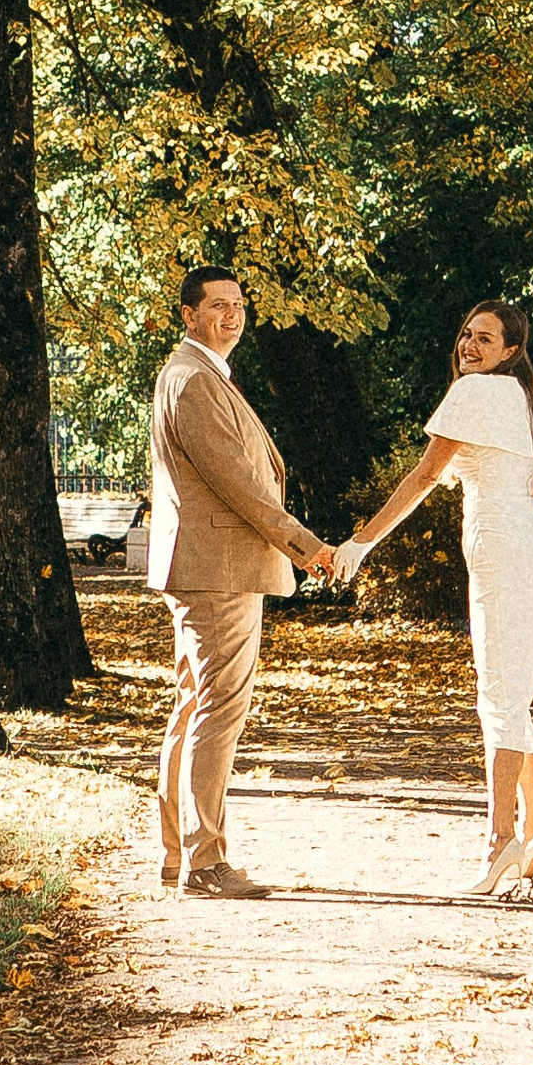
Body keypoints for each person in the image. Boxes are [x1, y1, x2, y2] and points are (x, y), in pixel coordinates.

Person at [343, 296, 533, 899]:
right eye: (467, 334)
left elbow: (423, 476)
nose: (469, 346)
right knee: (513, 693)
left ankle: (501, 841)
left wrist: (362, 542)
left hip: (504, 548)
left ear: (511, 351)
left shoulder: (475, 393)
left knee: (499, 696)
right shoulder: (523, 399)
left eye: (485, 339)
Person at [149, 267, 341, 897]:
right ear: (189, 315)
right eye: (217, 306)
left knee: (194, 707)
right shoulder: (192, 380)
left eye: (237, 305)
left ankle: (179, 857)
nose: (231, 315)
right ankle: (204, 862)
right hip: (218, 570)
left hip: (210, 566)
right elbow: (242, 486)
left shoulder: (199, 374)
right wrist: (307, 547)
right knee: (217, 709)